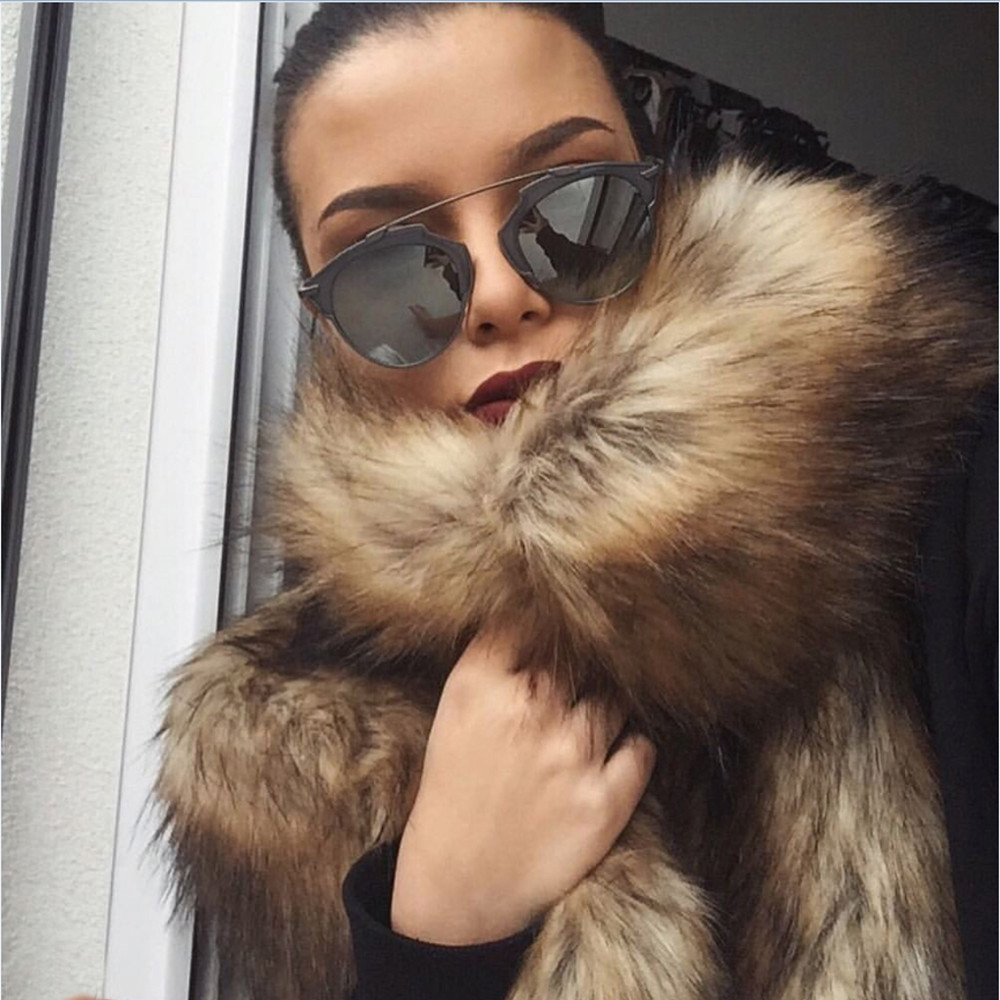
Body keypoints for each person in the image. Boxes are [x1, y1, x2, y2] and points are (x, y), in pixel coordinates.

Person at [146, 5, 996, 1000]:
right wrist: (435, 930)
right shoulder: (276, 749)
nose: (498, 295)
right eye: (387, 270)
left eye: (575, 205)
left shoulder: (938, 479)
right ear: (324, 329)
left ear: (657, 194)